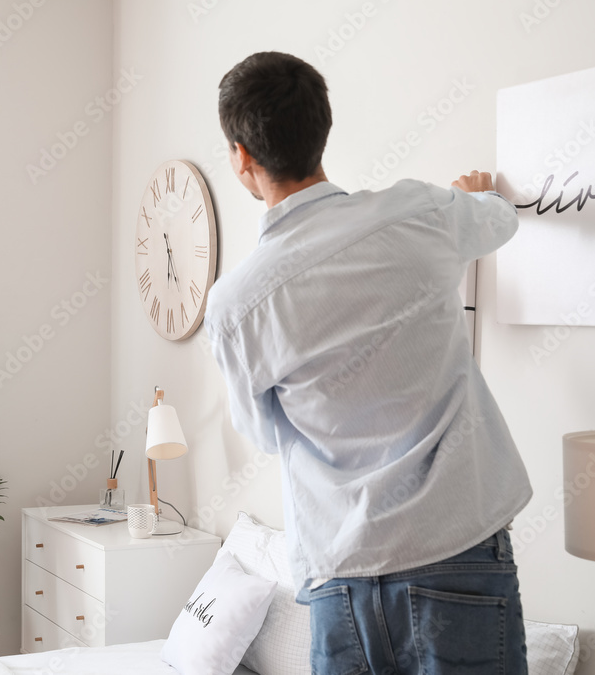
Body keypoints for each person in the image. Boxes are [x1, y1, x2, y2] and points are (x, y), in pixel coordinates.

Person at [205, 51, 533, 674]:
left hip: (339, 578)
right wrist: (473, 195)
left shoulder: (237, 305)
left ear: (242, 156)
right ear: (322, 130)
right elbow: (498, 221)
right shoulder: (418, 214)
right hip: (456, 550)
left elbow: (262, 434)